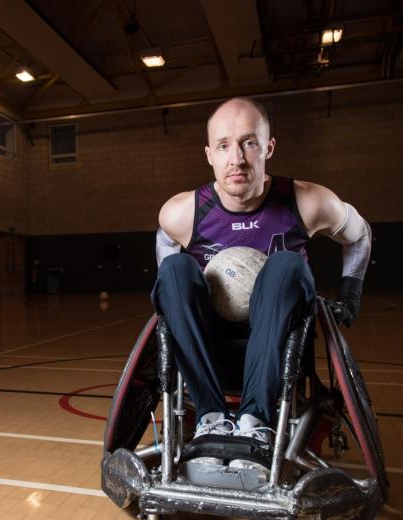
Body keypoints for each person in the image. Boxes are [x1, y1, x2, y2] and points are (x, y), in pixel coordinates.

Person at [151, 97, 371, 472]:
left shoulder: (308, 200)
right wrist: (178, 303)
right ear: (209, 154)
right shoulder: (182, 210)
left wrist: (351, 293)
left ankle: (256, 424)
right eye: (224, 145)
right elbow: (164, 243)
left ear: (268, 147)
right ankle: (209, 420)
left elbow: (360, 235)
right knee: (173, 271)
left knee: (285, 265)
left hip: (280, 340)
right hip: (214, 342)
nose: (236, 158)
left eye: (249, 142)